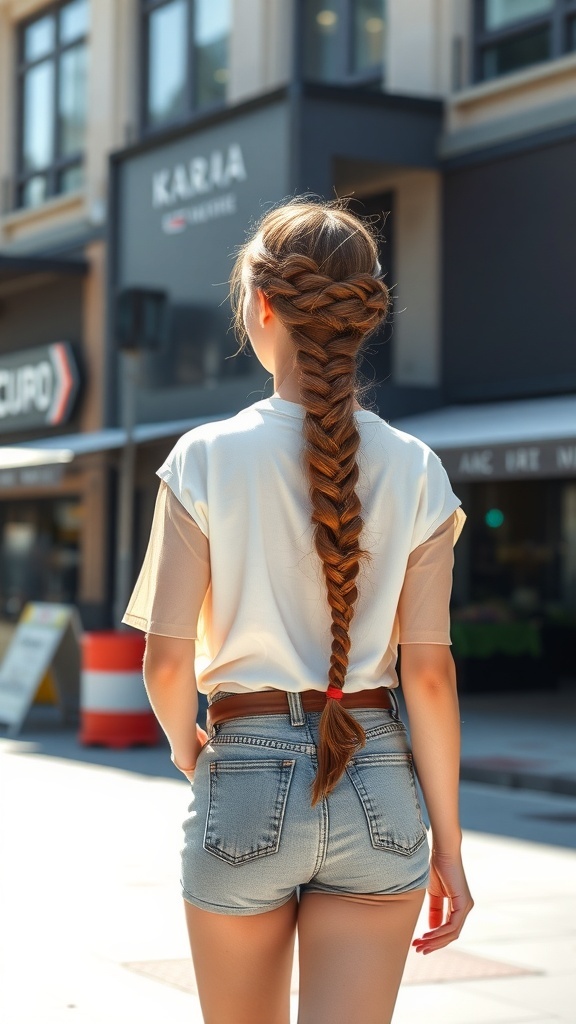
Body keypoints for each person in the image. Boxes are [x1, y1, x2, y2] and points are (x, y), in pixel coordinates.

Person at [123, 198, 474, 1024]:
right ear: (365, 315)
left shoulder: (204, 458)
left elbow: (166, 663)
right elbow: (428, 676)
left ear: (261, 306)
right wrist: (450, 849)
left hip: (244, 772)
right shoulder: (418, 468)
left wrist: (189, 748)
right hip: (380, 781)